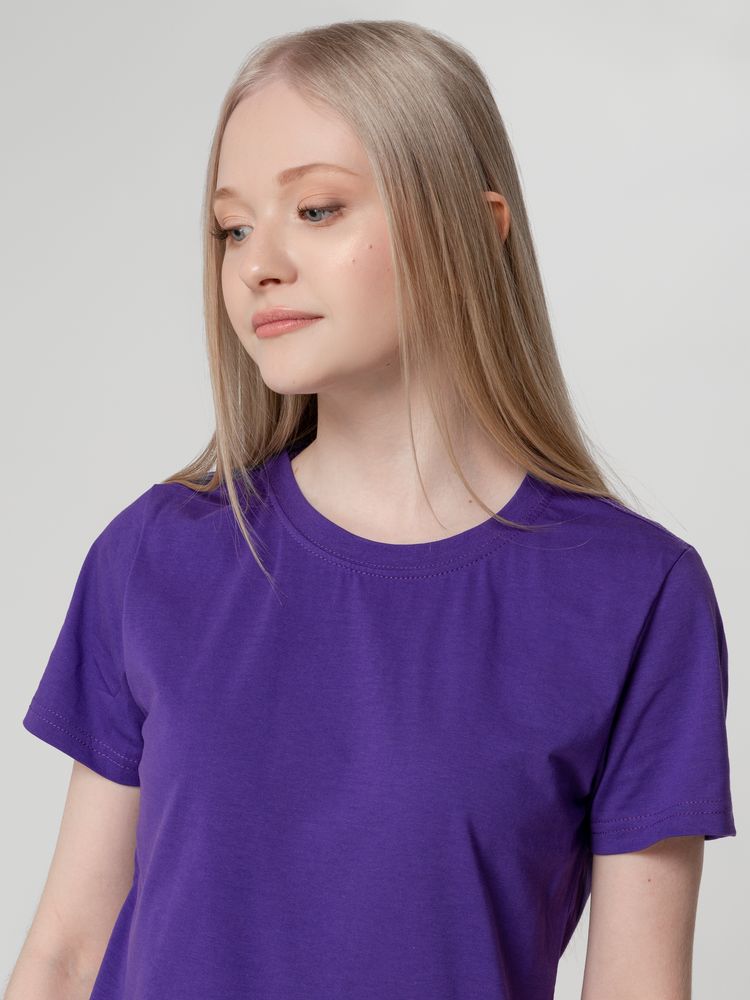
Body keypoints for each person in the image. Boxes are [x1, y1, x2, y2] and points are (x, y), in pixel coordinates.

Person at [8, 18, 736, 1000]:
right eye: (233, 227)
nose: (257, 262)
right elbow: (65, 954)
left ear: (474, 227)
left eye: (316, 209)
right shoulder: (156, 555)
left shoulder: (635, 595)